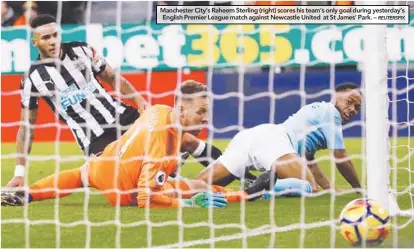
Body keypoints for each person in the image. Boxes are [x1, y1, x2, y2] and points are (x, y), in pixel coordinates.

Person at [5, 14, 223, 189]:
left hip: (122, 116)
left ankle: (236, 172)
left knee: (184, 138)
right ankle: (172, 172)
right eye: (46, 38)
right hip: (94, 137)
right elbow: (27, 128)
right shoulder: (32, 79)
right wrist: (19, 173)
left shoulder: (82, 50)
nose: (53, 41)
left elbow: (112, 77)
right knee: (124, 181)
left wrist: (139, 101)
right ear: (35, 42)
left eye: (55, 35)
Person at [1, 81, 237, 208]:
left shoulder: (82, 53)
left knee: (84, 174)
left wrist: (135, 98)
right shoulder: (44, 78)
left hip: (114, 145)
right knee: (179, 161)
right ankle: (237, 178)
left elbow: (112, 75)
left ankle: (27, 194)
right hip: (106, 146)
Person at [194, 83, 362, 199]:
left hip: (249, 138)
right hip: (273, 141)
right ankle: (264, 186)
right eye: (350, 102)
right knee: (308, 187)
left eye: (357, 107)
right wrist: (359, 189)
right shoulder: (331, 113)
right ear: (336, 97)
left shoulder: (315, 110)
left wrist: (330, 189)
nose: (353, 109)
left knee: (195, 186)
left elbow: (307, 160)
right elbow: (340, 156)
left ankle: (169, 186)